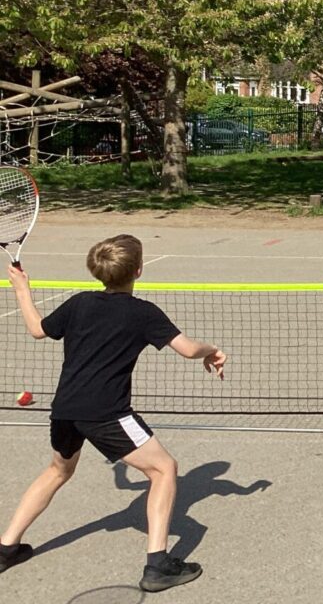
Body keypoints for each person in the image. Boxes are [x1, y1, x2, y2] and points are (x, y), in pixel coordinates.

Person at [1, 235, 226, 592]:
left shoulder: (79, 303)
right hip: (106, 414)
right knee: (164, 469)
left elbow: (37, 329)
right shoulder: (143, 313)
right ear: (138, 271)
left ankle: (5, 548)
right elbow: (187, 349)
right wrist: (212, 349)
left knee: (58, 470)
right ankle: (158, 566)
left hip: (65, 410)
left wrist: (22, 289)